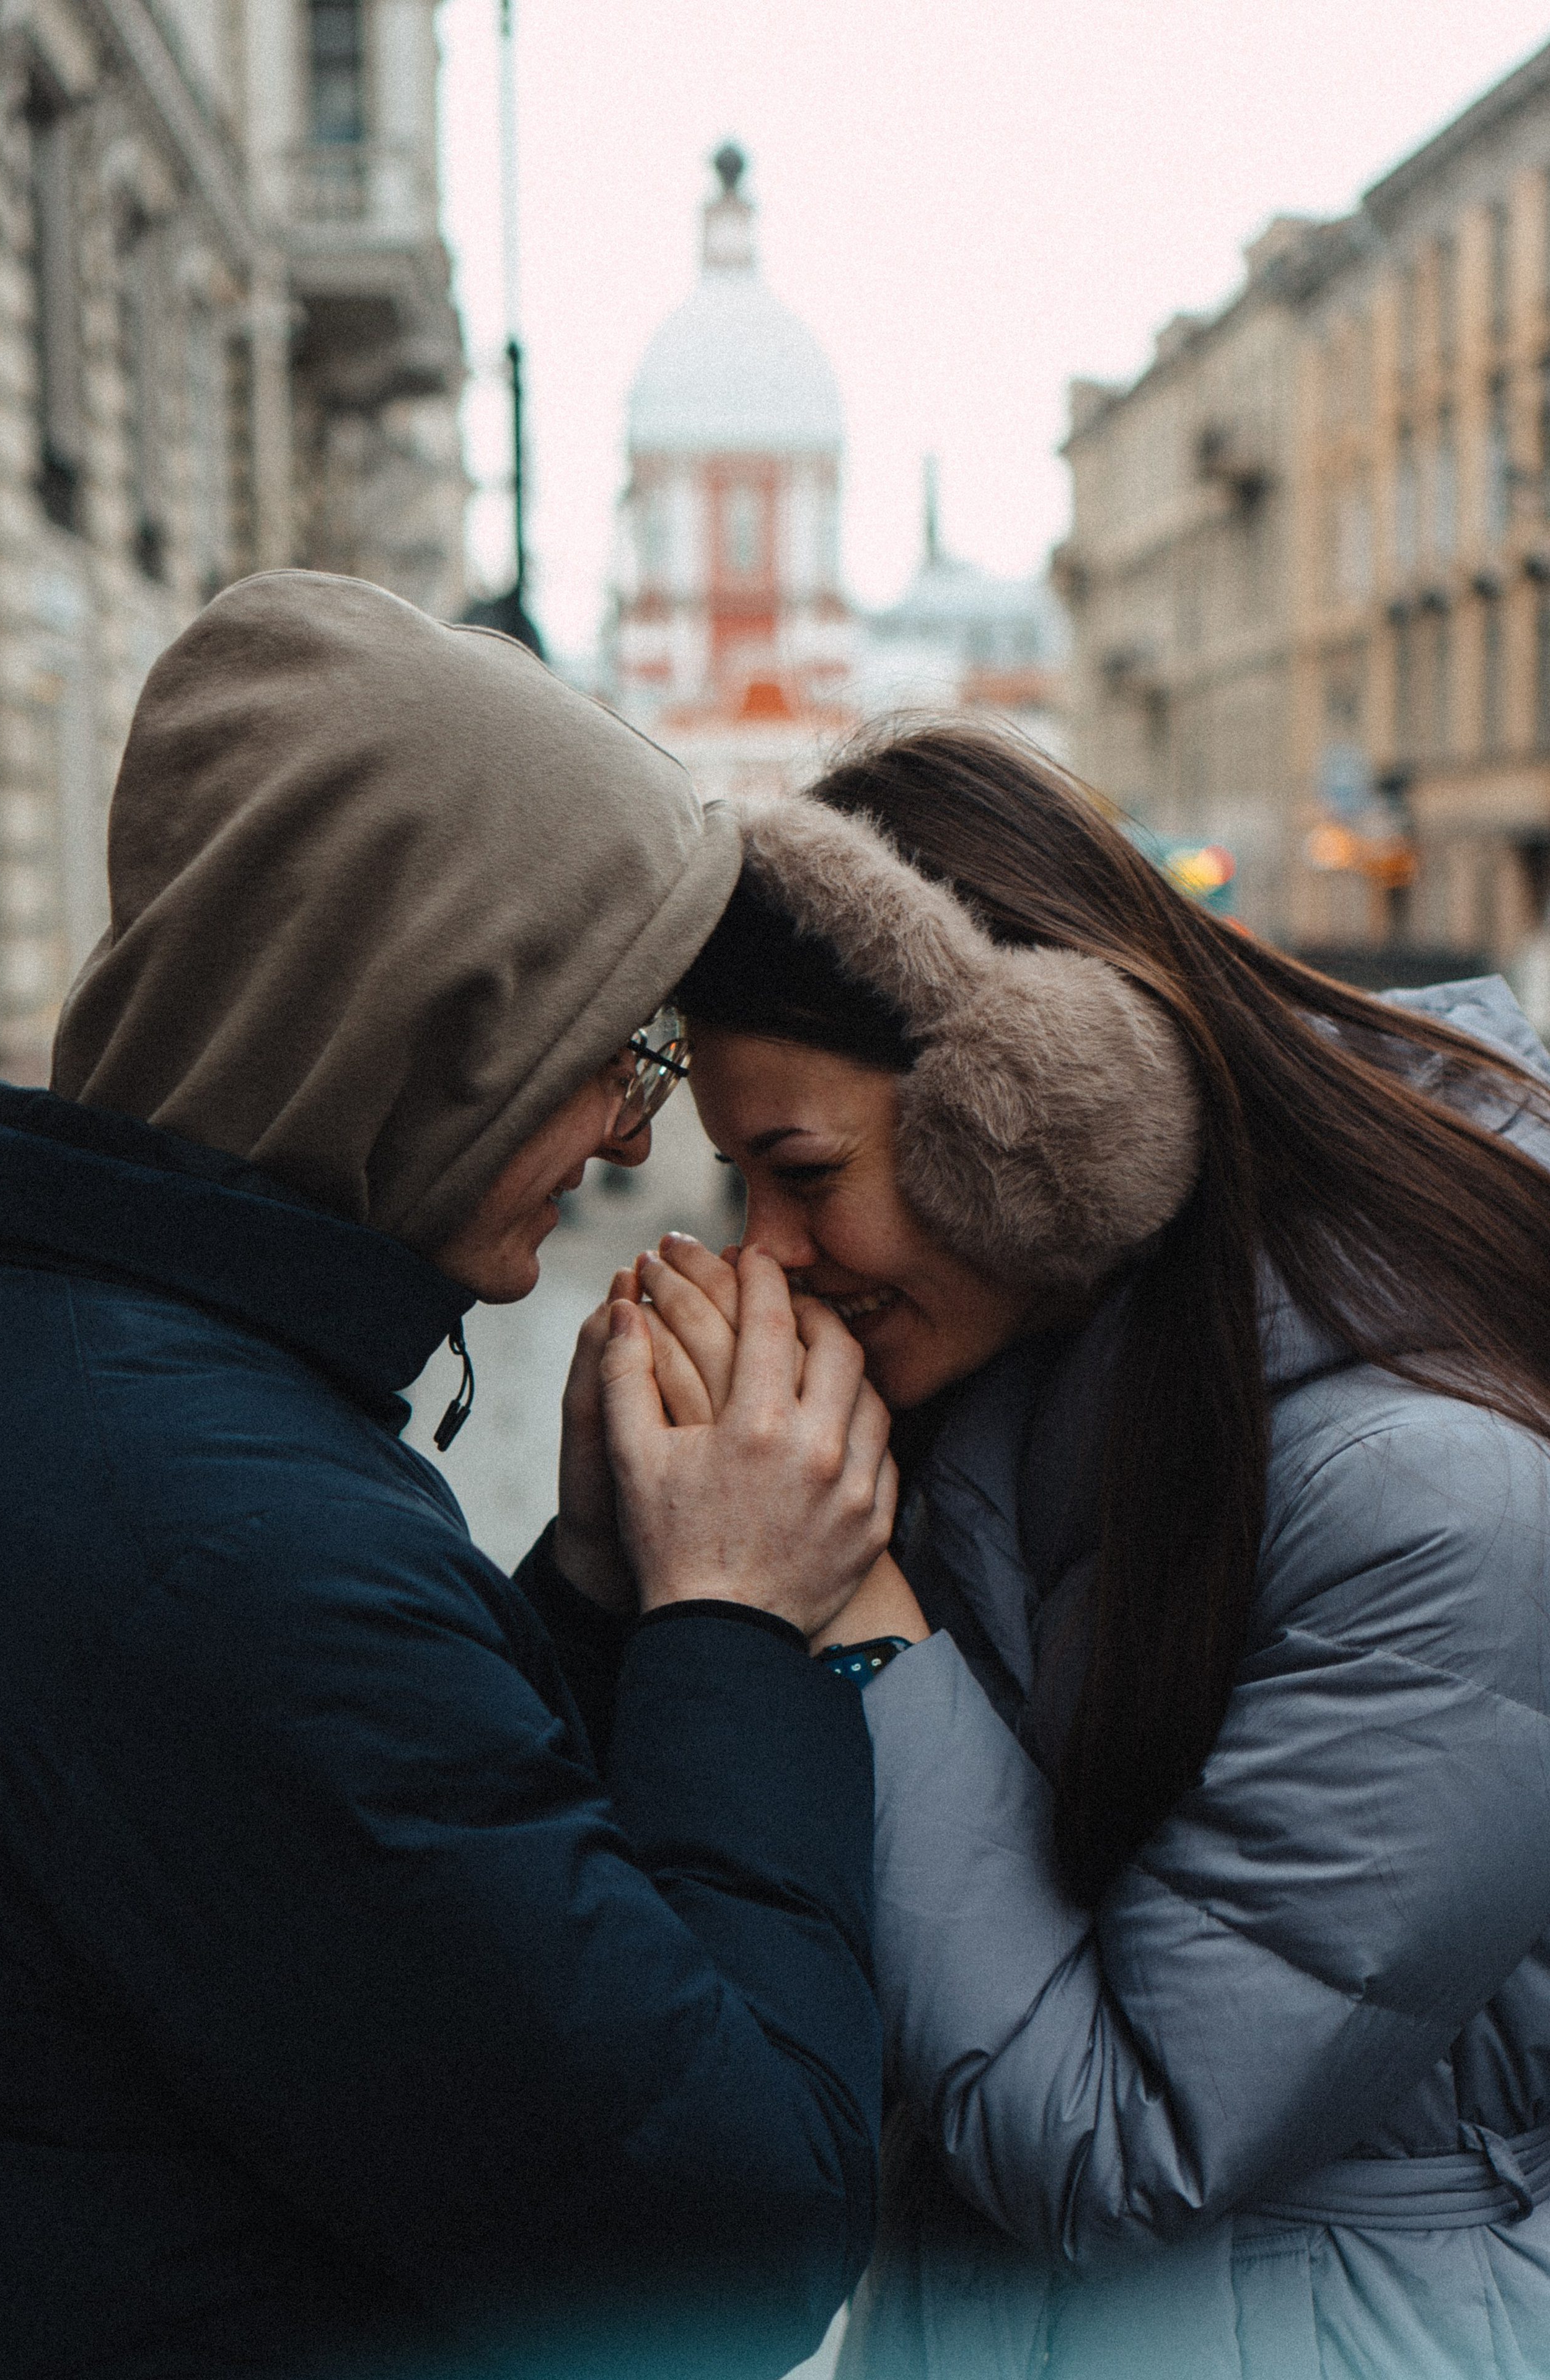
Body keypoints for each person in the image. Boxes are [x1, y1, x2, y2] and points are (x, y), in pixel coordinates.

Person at [0, 571, 900, 2380]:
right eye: (620, 1051)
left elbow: (378, 1909)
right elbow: (721, 2248)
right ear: (430, 1026)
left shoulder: (107, 1372)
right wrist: (736, 1622)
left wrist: (597, 1598)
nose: (642, 1134)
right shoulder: (227, 1547)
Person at [633, 721, 1550, 2379]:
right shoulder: (1005, 1365)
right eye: (736, 1179)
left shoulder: (1436, 1511)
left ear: (1040, 1125)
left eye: (803, 1174)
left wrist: (844, 1603)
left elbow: (1126, 2140)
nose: (760, 1254)